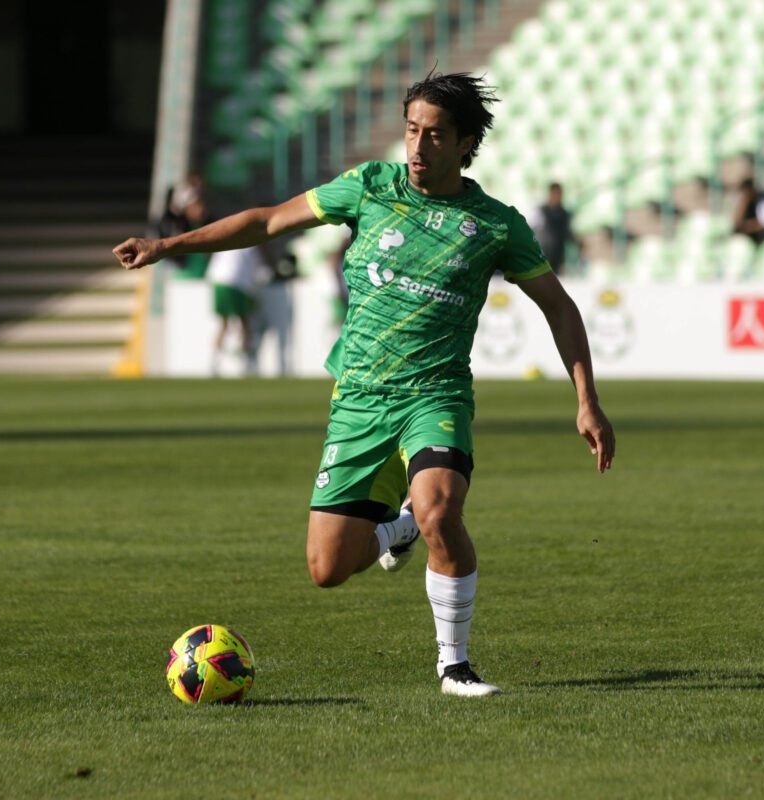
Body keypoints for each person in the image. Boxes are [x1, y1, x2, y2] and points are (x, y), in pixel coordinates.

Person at [113, 71, 615, 697]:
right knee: (328, 569)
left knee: (440, 510)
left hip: (436, 396)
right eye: (411, 130)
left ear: (465, 144)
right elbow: (268, 222)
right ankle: (396, 529)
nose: (417, 146)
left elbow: (560, 308)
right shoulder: (368, 188)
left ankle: (453, 665)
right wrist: (166, 244)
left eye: (435, 135)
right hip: (357, 400)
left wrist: (586, 401)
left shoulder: (495, 225)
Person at [207, 243, 269, 376]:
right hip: (236, 283)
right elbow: (260, 270)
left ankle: (214, 362)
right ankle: (246, 362)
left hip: (218, 280)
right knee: (244, 322)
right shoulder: (253, 245)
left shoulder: (234, 239)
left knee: (224, 323)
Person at [530, 182, 575, 274]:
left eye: (559, 193)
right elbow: (532, 232)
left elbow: (567, 234)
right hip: (541, 257)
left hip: (557, 259)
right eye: (555, 193)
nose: (557, 196)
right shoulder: (541, 211)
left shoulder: (564, 214)